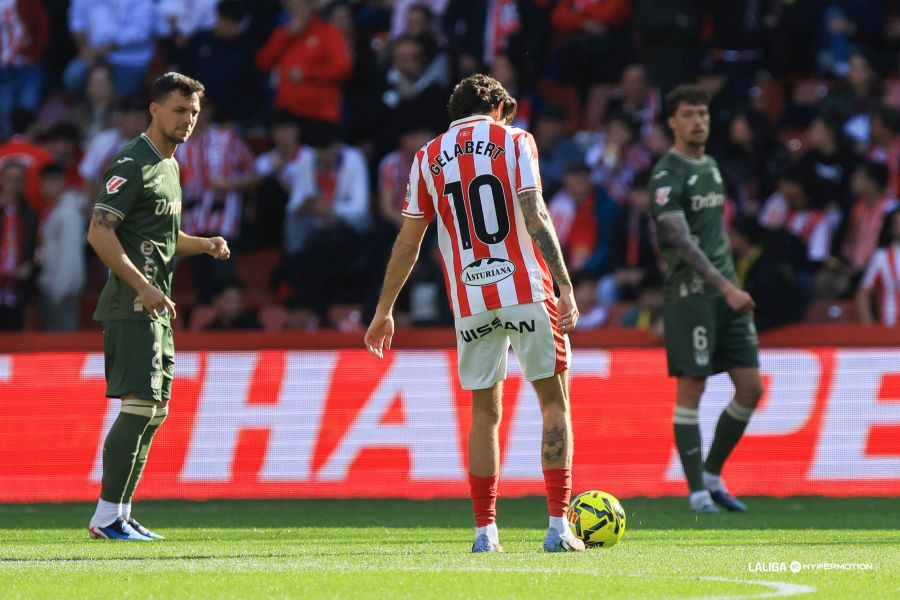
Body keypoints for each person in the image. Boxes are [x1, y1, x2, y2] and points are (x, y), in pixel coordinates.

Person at [364, 74, 584, 553]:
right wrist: (565, 286)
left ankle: (486, 532)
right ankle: (557, 528)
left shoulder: (426, 157)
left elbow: (408, 241)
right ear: (500, 108)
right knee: (553, 402)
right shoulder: (516, 140)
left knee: (485, 413)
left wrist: (384, 309)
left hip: (471, 299)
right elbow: (533, 210)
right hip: (527, 290)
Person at [85, 73, 230, 541]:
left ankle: (121, 513)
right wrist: (143, 286)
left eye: (193, 113)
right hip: (132, 305)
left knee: (156, 409)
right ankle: (106, 516)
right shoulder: (133, 161)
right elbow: (99, 231)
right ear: (154, 109)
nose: (187, 121)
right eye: (178, 111)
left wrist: (201, 243)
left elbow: (163, 237)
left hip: (156, 307)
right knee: (140, 404)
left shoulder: (170, 166)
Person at [648, 85, 762, 514]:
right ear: (672, 122)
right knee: (692, 387)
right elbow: (682, 241)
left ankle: (712, 475)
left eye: (703, 114)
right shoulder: (666, 175)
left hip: (726, 294)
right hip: (692, 295)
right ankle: (697, 492)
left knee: (751, 388)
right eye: (690, 115)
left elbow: (714, 235)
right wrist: (727, 286)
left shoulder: (712, 167)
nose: (699, 122)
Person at [36, 163, 86, 332]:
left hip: (61, 292)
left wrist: (60, 291)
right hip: (51, 287)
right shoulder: (54, 210)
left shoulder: (68, 213)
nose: (48, 187)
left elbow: (70, 256)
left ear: (63, 182)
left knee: (61, 346)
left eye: (53, 181)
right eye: (44, 182)